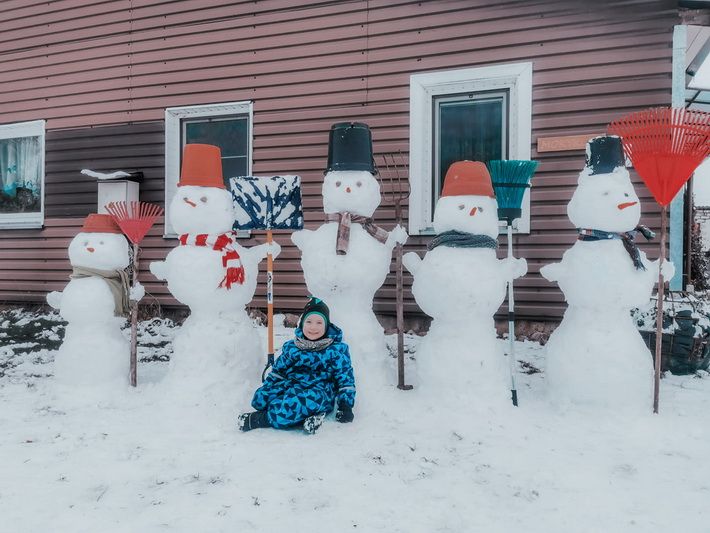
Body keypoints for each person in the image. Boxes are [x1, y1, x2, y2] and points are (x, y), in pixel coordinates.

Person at [238, 297, 356, 434]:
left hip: (319, 391)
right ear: (302, 324)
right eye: (309, 321)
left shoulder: (336, 350)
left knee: (295, 405)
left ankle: (264, 419)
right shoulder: (293, 347)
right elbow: (278, 371)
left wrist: (345, 405)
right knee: (259, 400)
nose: (313, 327)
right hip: (293, 384)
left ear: (326, 326)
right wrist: (269, 387)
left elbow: (345, 379)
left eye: (319, 322)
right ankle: (304, 417)